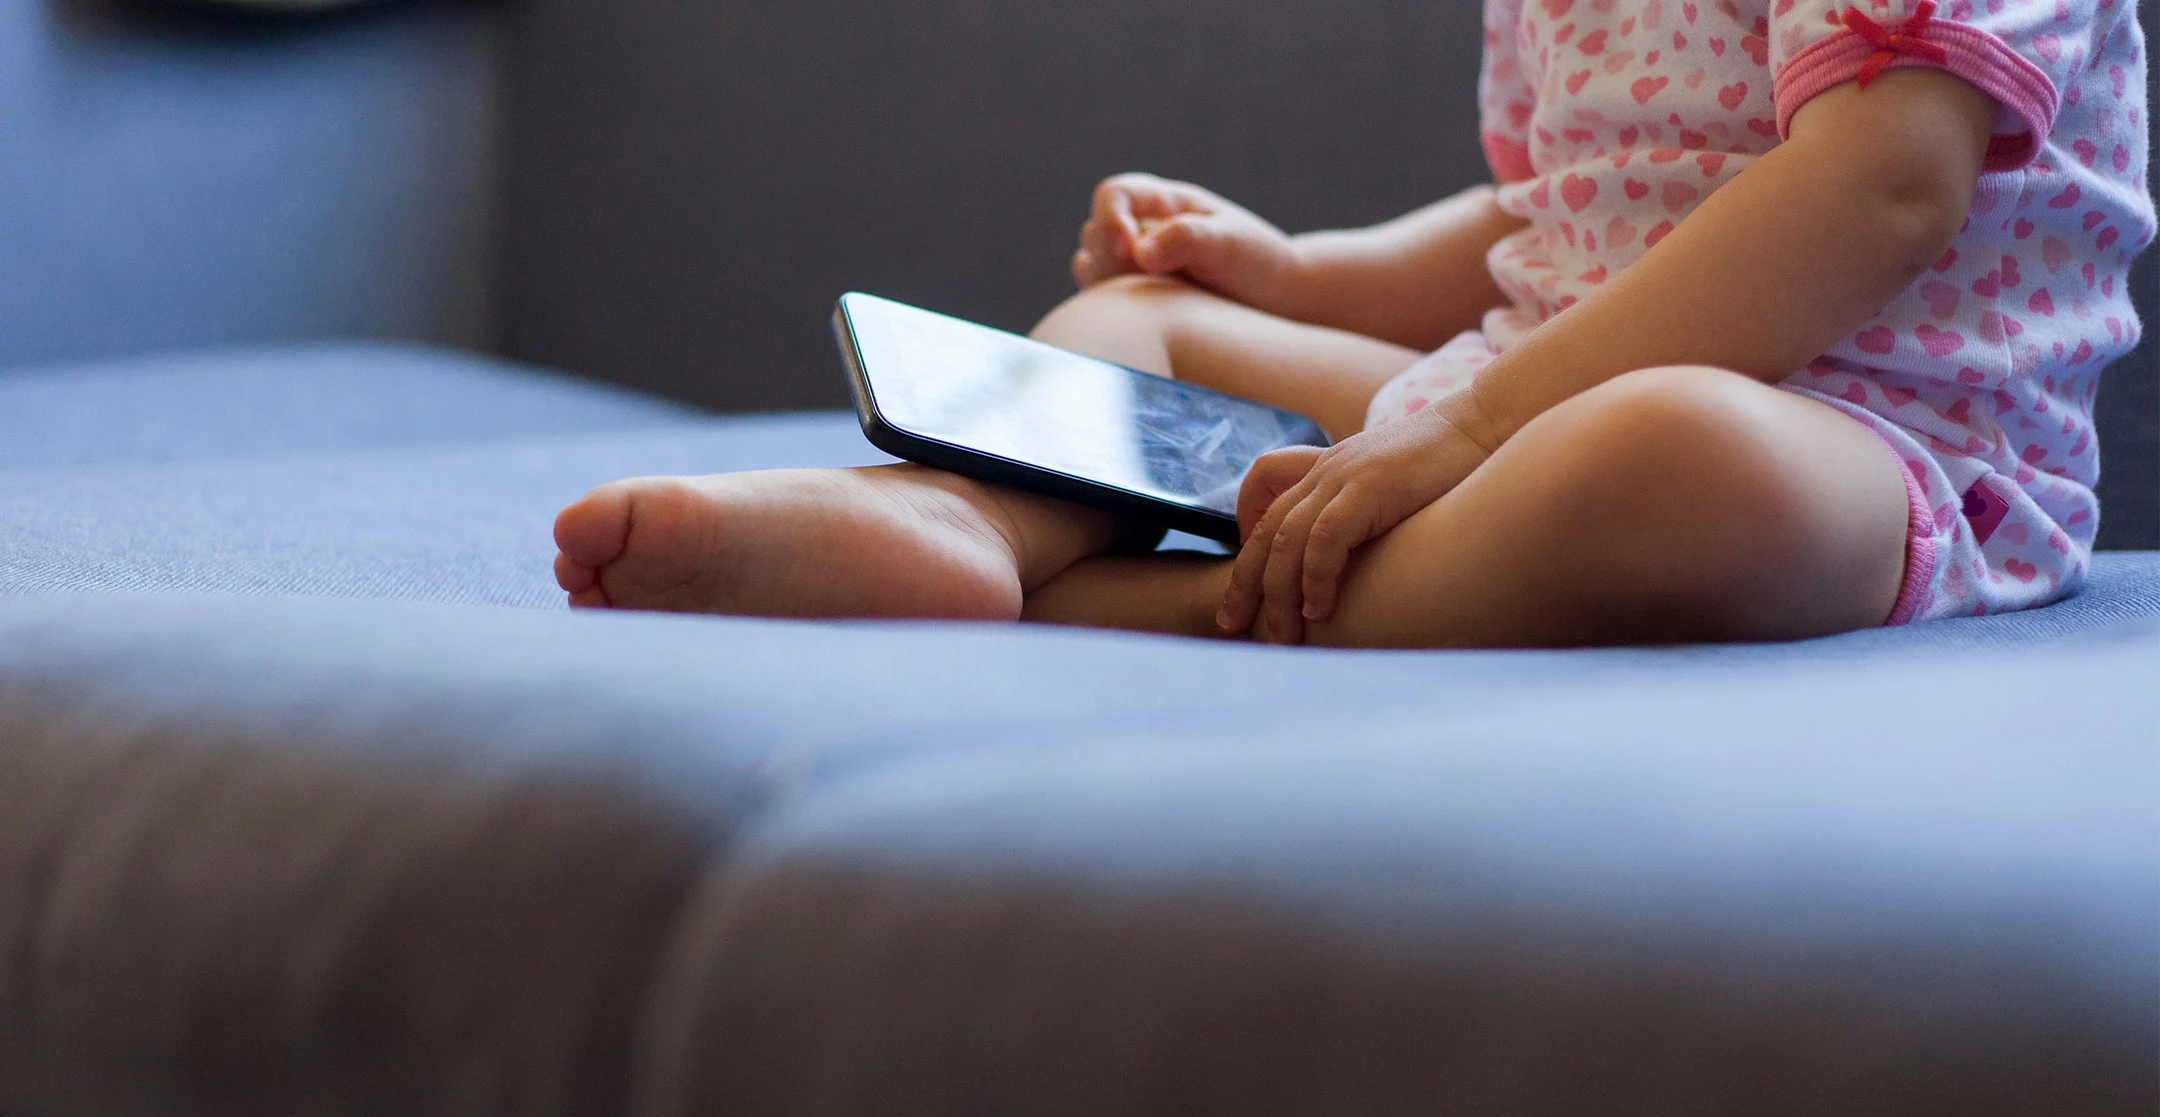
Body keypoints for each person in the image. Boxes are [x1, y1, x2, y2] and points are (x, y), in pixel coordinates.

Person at [553, 0, 2153, 648]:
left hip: (1880, 446)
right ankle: (979, 521)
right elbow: (1553, 226)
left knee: (1669, 451)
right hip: (1511, 390)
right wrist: (1304, 274)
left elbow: (1883, 187)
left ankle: (1139, 607)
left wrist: (1470, 430)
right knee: (1150, 316)